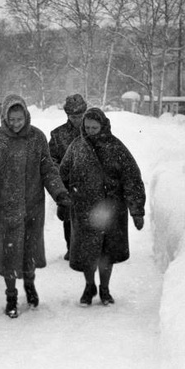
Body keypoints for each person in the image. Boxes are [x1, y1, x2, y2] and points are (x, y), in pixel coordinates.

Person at [0, 94, 71, 318]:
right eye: (12, 119)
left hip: (32, 208)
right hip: (4, 210)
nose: (16, 123)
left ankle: (30, 286)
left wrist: (61, 195)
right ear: (5, 118)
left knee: (29, 253)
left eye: (20, 119)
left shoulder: (36, 138)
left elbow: (48, 171)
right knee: (9, 255)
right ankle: (11, 296)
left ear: (26, 115)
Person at [59, 107, 145, 306]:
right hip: (84, 209)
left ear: (103, 126)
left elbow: (132, 178)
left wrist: (136, 210)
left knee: (107, 253)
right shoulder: (76, 147)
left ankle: (105, 289)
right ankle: (89, 287)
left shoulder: (116, 148)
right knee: (87, 253)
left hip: (111, 209)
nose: (90, 131)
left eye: (94, 127)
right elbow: (62, 174)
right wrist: (63, 200)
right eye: (87, 127)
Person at [48, 94, 87, 260]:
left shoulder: (95, 130)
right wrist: (61, 172)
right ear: (67, 115)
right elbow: (51, 160)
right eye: (73, 116)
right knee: (69, 218)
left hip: (91, 182)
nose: (77, 120)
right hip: (68, 184)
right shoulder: (58, 135)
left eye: (80, 116)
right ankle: (72, 249)